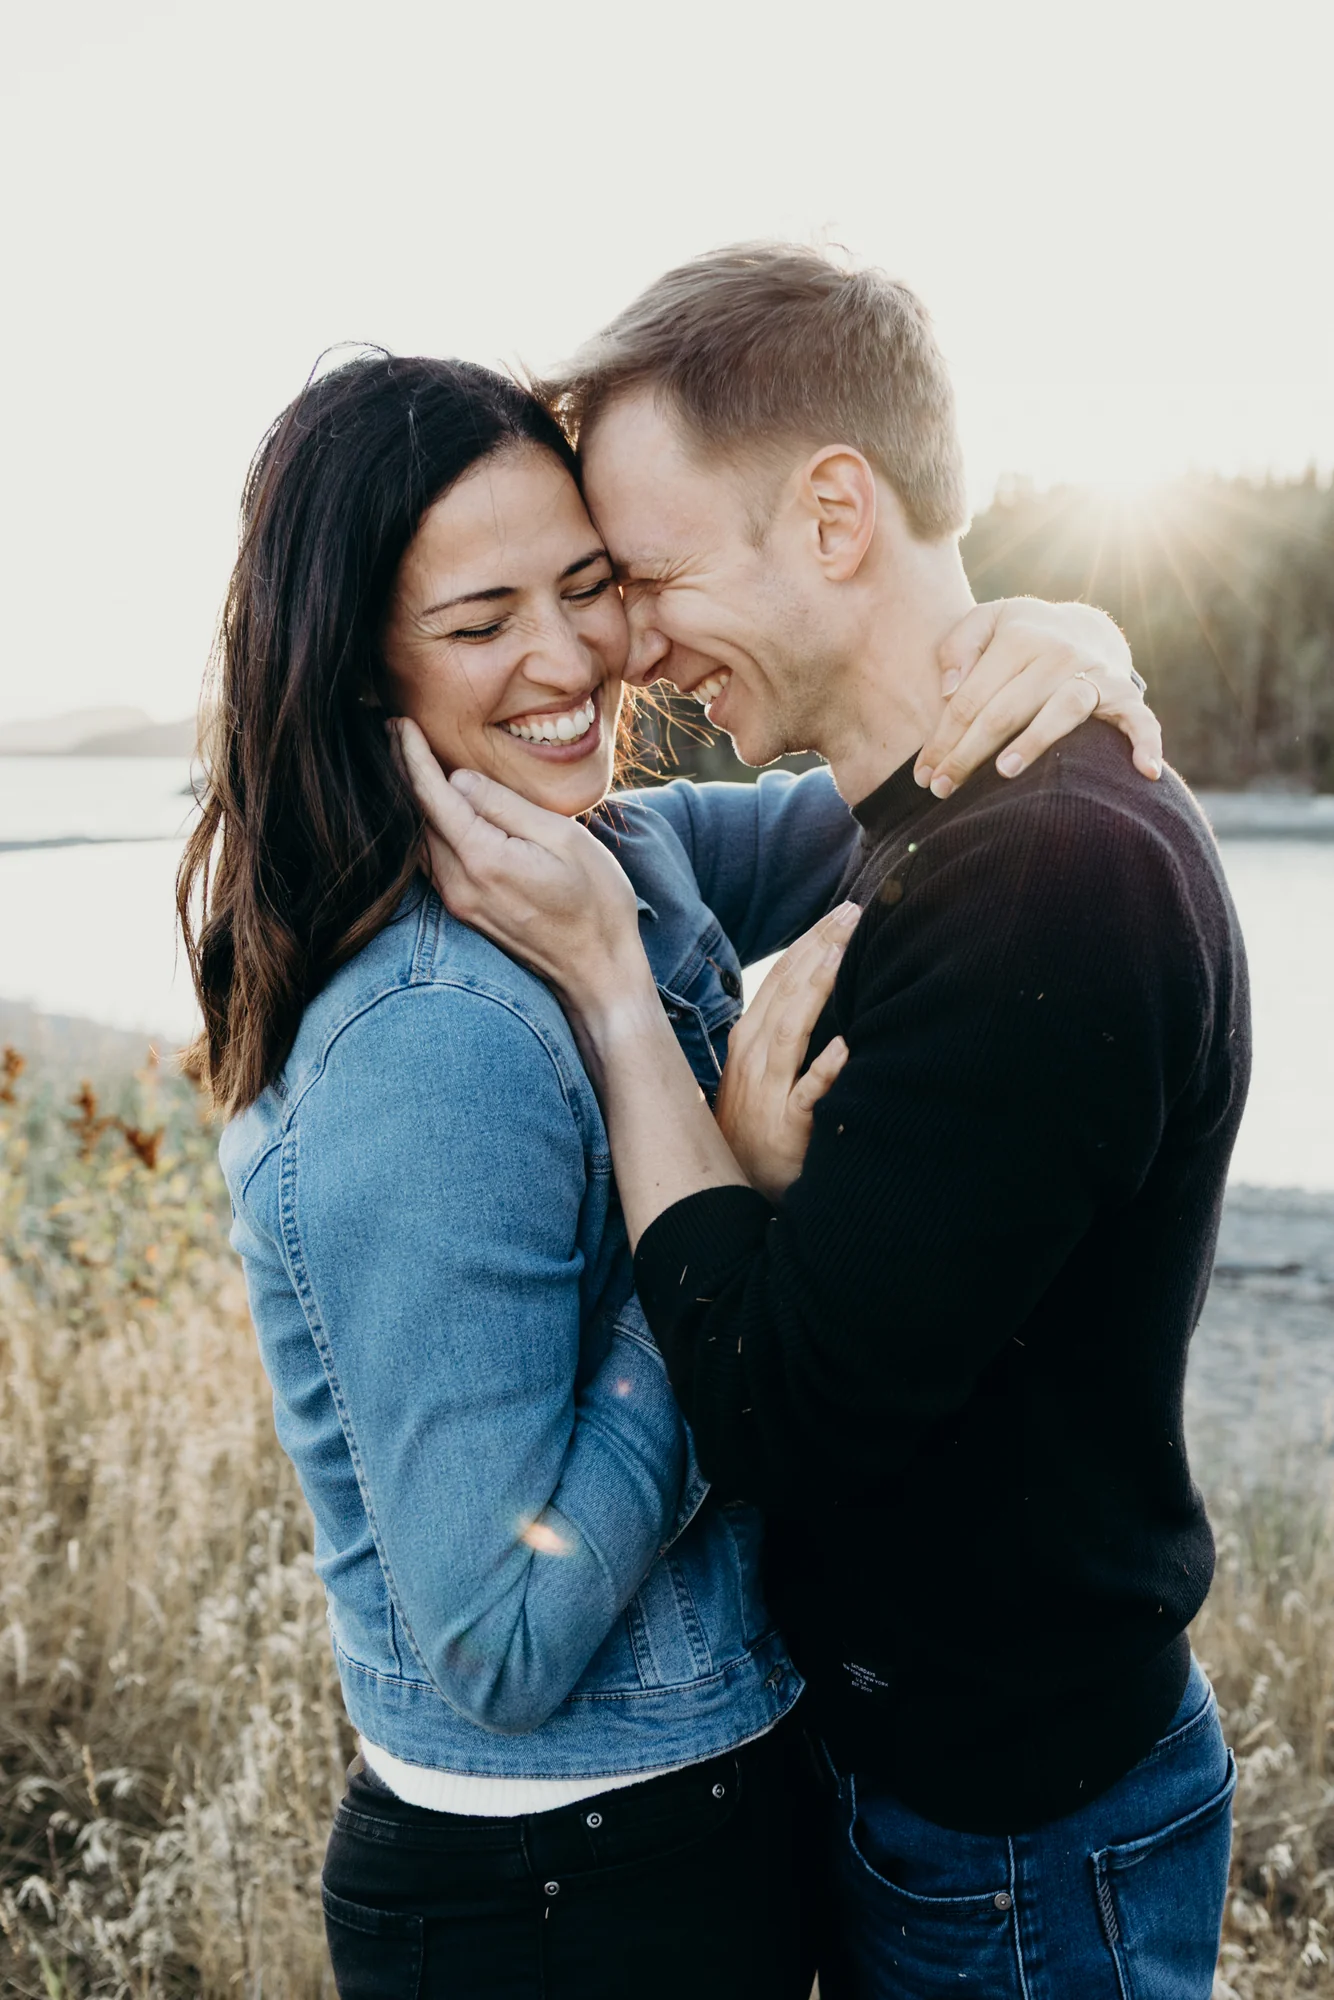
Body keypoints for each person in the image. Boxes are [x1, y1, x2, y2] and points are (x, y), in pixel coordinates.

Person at [181, 348, 1157, 2000]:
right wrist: (730, 1200)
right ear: (363, 677)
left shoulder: (612, 854)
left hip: (696, 1811)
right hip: (558, 1887)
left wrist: (1063, 639)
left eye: (590, 586)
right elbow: (498, 1635)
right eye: (481, 623)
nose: (571, 660)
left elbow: (895, 772)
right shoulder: (432, 1040)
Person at [399, 244, 1249, 2000]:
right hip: (943, 1803)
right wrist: (1069, 621)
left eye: (645, 575)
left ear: (835, 517)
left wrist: (631, 1015)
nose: (625, 641)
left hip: (1020, 1837)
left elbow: (784, 1417)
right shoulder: (935, 812)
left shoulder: (1047, 881)